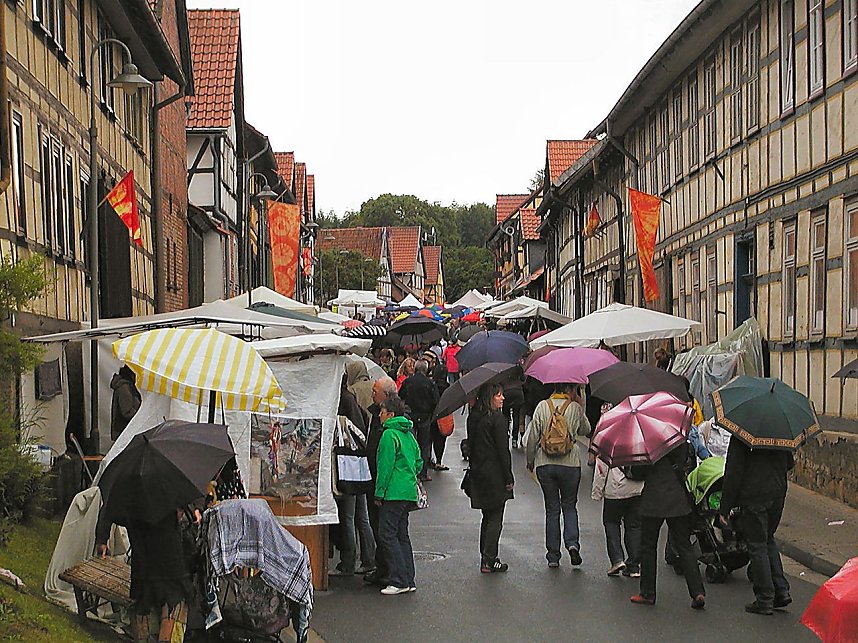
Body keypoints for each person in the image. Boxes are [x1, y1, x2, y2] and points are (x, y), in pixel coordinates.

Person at [95, 506, 197, 642]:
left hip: (144, 573)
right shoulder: (168, 492)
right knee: (170, 613)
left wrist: (102, 539)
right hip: (169, 573)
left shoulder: (131, 494)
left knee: (148, 619)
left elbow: (110, 509)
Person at [720, 439, 793, 615]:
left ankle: (765, 598)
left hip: (754, 495)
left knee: (757, 544)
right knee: (768, 539)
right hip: (777, 492)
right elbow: (789, 463)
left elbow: (734, 472)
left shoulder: (741, 435)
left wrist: (725, 507)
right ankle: (781, 590)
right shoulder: (780, 433)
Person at [629, 443, 706, 610]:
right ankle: (697, 591)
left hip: (653, 501)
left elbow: (637, 473)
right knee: (684, 545)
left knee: (648, 547)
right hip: (677, 498)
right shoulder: (680, 443)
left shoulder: (647, 444)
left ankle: (648, 593)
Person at [525, 384, 591, 568]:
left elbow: (532, 438)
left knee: (552, 509)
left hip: (545, 464)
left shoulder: (542, 406)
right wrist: (579, 404)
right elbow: (586, 430)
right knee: (569, 506)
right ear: (570, 389)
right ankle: (572, 544)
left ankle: (553, 555)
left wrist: (530, 460)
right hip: (570, 464)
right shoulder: (574, 407)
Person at [374, 395, 422, 595]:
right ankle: (408, 578)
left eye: (381, 412)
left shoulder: (388, 435)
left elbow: (384, 467)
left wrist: (379, 492)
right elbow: (419, 461)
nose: (379, 415)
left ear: (390, 414)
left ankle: (398, 579)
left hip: (393, 491)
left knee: (387, 534)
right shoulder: (408, 434)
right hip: (408, 490)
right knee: (402, 534)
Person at [468, 383, 514, 573]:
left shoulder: (474, 417)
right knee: (496, 516)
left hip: (479, 472)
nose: (502, 398)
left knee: (487, 516)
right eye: (498, 395)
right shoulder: (497, 420)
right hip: (494, 474)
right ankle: (490, 558)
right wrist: (508, 477)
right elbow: (503, 451)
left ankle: (485, 556)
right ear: (490, 397)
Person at [363, 377, 398, 587]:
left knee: (387, 530)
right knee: (379, 527)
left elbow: (387, 460)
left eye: (375, 391)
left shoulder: (390, 426)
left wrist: (380, 489)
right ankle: (382, 567)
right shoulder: (377, 415)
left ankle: (390, 571)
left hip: (383, 484)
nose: (372, 394)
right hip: (374, 479)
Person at [591, 458, 643, 577]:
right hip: (637, 490)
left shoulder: (608, 445)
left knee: (611, 523)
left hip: (615, 491)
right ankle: (634, 565)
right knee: (634, 526)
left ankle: (617, 559)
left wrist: (597, 493)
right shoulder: (639, 443)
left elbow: (601, 471)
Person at [399, 360, 439, 482]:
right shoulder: (430, 383)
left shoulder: (408, 381)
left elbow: (401, 395)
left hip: (410, 414)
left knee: (411, 443)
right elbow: (435, 400)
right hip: (425, 416)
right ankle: (423, 472)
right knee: (424, 445)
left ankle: (412, 470)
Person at [110, 365, 141, 442]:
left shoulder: (126, 386)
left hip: (124, 430)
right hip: (124, 431)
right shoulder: (124, 388)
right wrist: (140, 416)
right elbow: (127, 411)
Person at [502, 364, 526, 448]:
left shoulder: (502, 366)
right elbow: (523, 379)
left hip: (506, 392)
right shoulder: (517, 366)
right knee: (516, 416)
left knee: (505, 415)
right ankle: (514, 439)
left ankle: (505, 434)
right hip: (517, 392)